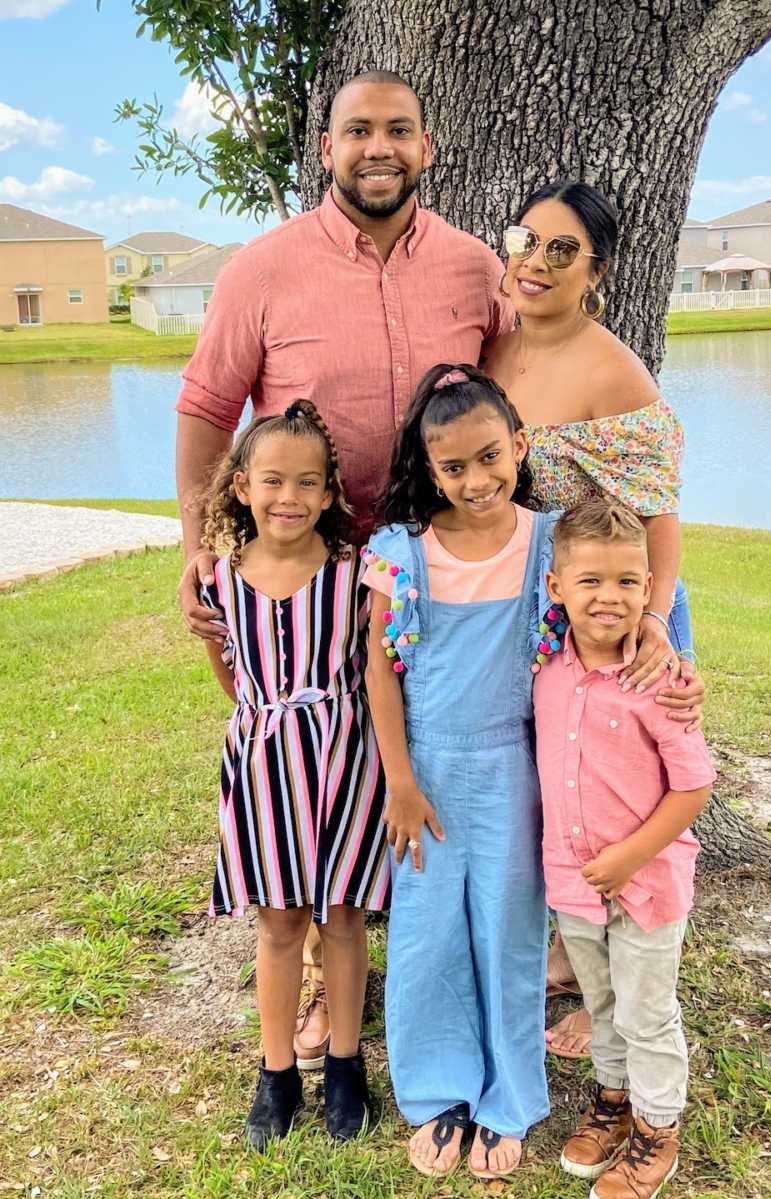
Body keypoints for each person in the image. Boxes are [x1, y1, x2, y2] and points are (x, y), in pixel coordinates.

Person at [175, 69, 511, 1061]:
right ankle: (325, 983)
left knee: (431, 761)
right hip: (313, 572)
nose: (379, 146)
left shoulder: (472, 268)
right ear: (327, 149)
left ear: (427, 146)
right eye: (357, 130)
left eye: (398, 130)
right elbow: (205, 407)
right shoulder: (263, 268)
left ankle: (471, 952)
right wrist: (202, 544)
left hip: (444, 571)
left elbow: (506, 401)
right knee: (322, 766)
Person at [482, 179, 705, 1058]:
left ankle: (621, 994)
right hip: (548, 623)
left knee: (633, 806)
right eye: (525, 239)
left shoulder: (613, 367)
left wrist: (653, 622)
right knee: (568, 788)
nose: (535, 261)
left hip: (626, 617)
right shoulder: (492, 352)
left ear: (597, 271)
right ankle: (575, 962)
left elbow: (660, 514)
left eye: (561, 250)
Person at [363, 364, 555, 1180]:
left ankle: (508, 1096)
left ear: (517, 444)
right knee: (428, 931)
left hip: (515, 769)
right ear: (428, 467)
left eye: (488, 457)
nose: (475, 480)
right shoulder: (402, 553)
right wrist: (399, 780)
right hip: (427, 775)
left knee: (509, 934)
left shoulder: (548, 542)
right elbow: (379, 669)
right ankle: (439, 1089)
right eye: (453, 466)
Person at [198, 400, 389, 1148]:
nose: (291, 498)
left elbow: (373, 674)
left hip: (345, 759)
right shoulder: (218, 580)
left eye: (309, 483)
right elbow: (229, 676)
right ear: (241, 485)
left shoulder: (354, 576)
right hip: (264, 764)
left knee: (342, 914)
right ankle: (276, 1069)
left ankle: (345, 1062)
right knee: (279, 921)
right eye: (273, 480)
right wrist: (272, 721)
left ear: (331, 491)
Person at [533, 498, 715, 1199]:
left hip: (646, 886)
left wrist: (630, 857)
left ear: (648, 591)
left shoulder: (658, 678)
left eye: (626, 582)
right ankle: (611, 1100)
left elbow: (693, 787)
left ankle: (657, 1128)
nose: (609, 597)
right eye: (590, 581)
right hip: (575, 882)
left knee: (646, 1010)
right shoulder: (547, 672)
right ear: (556, 588)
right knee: (603, 1002)